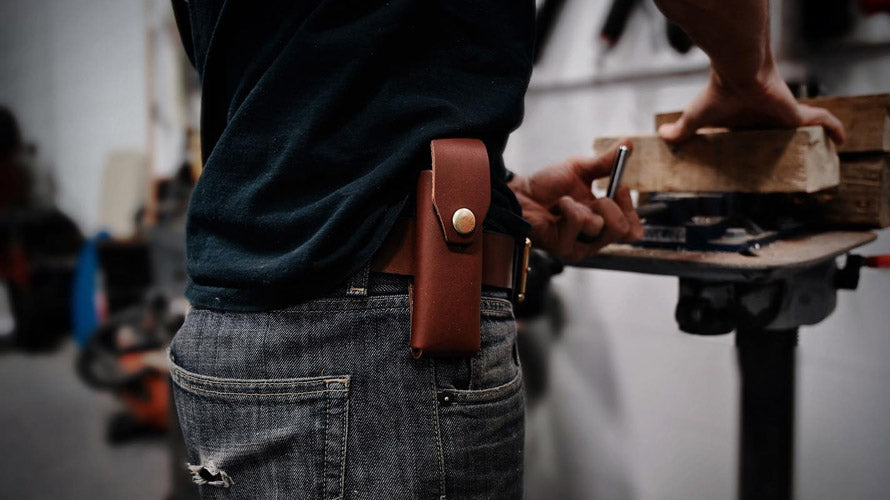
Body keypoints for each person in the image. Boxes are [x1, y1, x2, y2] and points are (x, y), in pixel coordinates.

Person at [167, 1, 845, 498]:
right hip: (372, 360)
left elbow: (289, 104)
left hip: (230, 348)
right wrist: (746, 76)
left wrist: (494, 200)